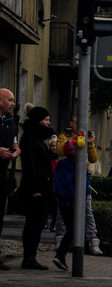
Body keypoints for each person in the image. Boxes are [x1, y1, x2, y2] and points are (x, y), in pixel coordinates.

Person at [55, 115, 102, 255]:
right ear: (71, 123)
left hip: (82, 176)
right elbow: (62, 150)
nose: (79, 126)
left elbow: (93, 158)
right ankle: (60, 241)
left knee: (87, 211)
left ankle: (93, 241)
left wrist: (91, 143)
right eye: (76, 123)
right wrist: (79, 140)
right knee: (62, 213)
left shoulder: (86, 139)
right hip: (67, 177)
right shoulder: (64, 136)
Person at [18, 106, 56, 270]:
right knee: (35, 222)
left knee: (38, 222)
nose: (48, 122)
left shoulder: (37, 137)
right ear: (38, 120)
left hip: (41, 185)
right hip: (35, 187)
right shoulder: (30, 137)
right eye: (46, 119)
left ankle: (30, 256)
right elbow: (30, 164)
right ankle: (29, 257)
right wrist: (35, 189)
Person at [52, 139, 91, 271]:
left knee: (70, 228)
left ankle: (61, 255)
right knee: (75, 229)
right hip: (75, 202)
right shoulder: (79, 166)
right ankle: (62, 255)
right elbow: (84, 186)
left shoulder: (61, 164)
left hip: (62, 202)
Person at [0, 88, 20, 270]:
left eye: (13, 100)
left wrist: (15, 152)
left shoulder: (11, 122)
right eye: (10, 100)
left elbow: (15, 144)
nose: (12, 104)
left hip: (2, 173)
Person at [46, 135, 59, 232]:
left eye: (55, 146)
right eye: (52, 146)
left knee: (55, 206)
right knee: (47, 203)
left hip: (57, 183)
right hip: (48, 182)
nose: (54, 148)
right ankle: (45, 221)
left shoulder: (59, 157)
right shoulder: (46, 157)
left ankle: (53, 223)